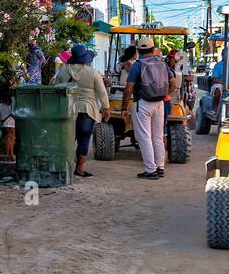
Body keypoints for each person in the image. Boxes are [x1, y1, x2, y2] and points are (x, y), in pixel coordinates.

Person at [53, 43, 110, 178]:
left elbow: (56, 90)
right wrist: (106, 108)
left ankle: (64, 167)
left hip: (68, 110)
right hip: (87, 110)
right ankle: (79, 169)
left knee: (67, 140)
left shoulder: (63, 72)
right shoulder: (92, 72)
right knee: (84, 140)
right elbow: (102, 92)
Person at [121, 36, 171, 179]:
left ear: (138, 50)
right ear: (152, 49)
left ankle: (150, 170)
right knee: (158, 136)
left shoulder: (137, 65)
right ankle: (160, 167)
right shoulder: (162, 63)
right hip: (160, 103)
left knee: (144, 137)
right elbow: (173, 83)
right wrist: (164, 94)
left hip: (142, 103)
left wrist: (124, 107)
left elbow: (129, 87)